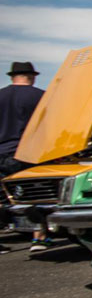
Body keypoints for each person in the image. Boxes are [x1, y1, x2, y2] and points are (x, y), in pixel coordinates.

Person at [0, 62, 47, 251]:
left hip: (1, 152)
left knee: (2, 198)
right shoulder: (41, 96)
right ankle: (39, 239)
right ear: (32, 76)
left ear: (12, 76)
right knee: (37, 195)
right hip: (29, 153)